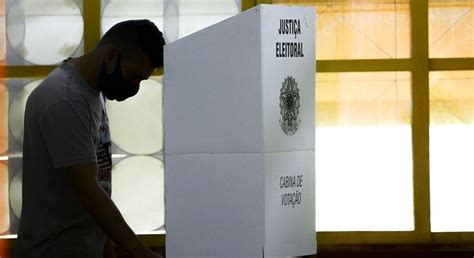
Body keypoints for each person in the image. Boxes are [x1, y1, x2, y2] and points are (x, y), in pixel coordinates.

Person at [14, 20, 165, 258]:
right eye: (133, 76)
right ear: (110, 55)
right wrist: (143, 254)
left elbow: (96, 188)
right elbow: (88, 190)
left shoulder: (91, 93)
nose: (134, 87)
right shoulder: (66, 100)